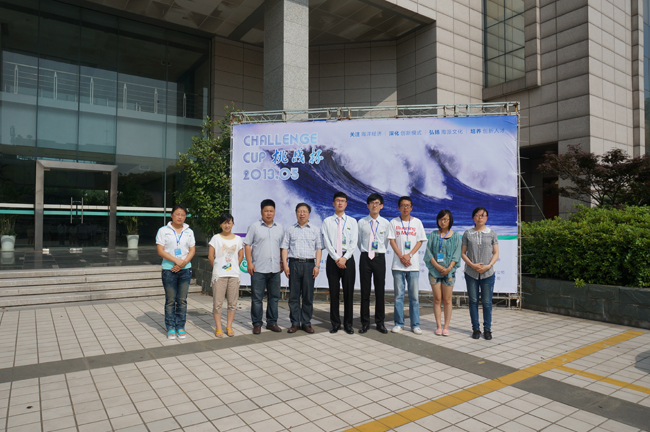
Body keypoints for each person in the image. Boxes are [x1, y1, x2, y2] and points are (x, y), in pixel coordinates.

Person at [281, 203, 323, 334]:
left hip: (309, 265)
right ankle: (294, 323)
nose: (302, 214)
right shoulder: (290, 230)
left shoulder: (315, 230)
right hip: (294, 264)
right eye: (299, 211)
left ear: (309, 214)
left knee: (307, 296)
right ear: (296, 213)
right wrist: (285, 265)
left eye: (304, 211)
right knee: (294, 296)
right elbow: (284, 248)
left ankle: (306, 323)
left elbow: (319, 249)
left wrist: (317, 265)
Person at [156, 204, 196, 340]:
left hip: (185, 270)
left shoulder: (189, 231)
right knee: (171, 300)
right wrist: (176, 261)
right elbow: (160, 251)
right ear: (171, 215)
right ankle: (170, 327)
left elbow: (192, 250)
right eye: (177, 214)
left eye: (183, 215)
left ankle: (180, 326)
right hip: (169, 270)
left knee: (182, 300)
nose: (180, 217)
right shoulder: (163, 231)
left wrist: (182, 263)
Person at [244, 199, 284, 335]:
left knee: (274, 297)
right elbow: (247, 245)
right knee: (257, 298)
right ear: (261, 212)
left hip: (275, 269)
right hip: (258, 269)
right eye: (266, 211)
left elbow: (282, 247)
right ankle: (257, 324)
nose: (269, 213)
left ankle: (272, 322)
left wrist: (283, 262)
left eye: (271, 211)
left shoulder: (280, 227)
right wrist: (249, 263)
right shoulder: (254, 227)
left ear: (274, 212)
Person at [388, 196, 427, 334]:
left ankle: (415, 324)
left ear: (411, 207)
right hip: (398, 265)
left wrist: (409, 255)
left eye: (408, 205)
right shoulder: (394, 222)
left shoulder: (417, 222)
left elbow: (420, 241)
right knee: (398, 296)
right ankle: (399, 323)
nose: (405, 208)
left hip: (413, 265)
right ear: (398, 207)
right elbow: (392, 241)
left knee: (414, 297)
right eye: (403, 205)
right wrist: (401, 256)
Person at [322, 192, 359, 334]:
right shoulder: (327, 221)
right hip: (333, 260)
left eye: (342, 201)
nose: (340, 203)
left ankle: (348, 324)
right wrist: (337, 258)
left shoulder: (352, 221)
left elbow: (354, 242)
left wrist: (345, 257)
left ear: (346, 204)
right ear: (333, 203)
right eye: (337, 200)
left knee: (349, 293)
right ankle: (335, 323)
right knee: (334, 292)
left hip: (348, 260)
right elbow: (327, 242)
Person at [461, 206, 499, 340]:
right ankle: (475, 329)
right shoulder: (467, 233)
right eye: (477, 215)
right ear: (473, 217)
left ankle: (487, 329)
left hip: (488, 273)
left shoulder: (492, 233)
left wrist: (488, 266)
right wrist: (472, 265)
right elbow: (463, 253)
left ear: (486, 218)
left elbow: (496, 253)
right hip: (471, 273)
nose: (480, 218)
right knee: (473, 301)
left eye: (483, 215)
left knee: (487, 302)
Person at [424, 209, 461, 336]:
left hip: (449, 273)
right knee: (437, 299)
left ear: (450, 221)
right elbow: (428, 252)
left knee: (447, 300)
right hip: (435, 272)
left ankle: (446, 327)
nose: (443, 222)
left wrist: (449, 268)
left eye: (445, 219)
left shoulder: (455, 236)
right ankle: (438, 326)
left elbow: (457, 254)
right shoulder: (434, 234)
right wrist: (437, 266)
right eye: (441, 219)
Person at [357, 193, 390, 334]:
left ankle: (380, 322)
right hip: (365, 257)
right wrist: (367, 252)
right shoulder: (361, 222)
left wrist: (377, 252)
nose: (374, 205)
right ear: (367, 206)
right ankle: (365, 323)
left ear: (381, 206)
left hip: (379, 258)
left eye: (377, 203)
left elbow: (386, 242)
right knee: (365, 292)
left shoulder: (386, 223)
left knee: (379, 291)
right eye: (371, 203)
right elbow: (359, 241)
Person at [209, 213, 244, 338]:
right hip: (219, 276)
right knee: (217, 303)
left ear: (233, 224)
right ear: (220, 224)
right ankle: (218, 328)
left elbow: (241, 255)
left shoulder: (238, 239)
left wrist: (234, 266)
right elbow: (210, 255)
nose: (227, 225)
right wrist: (217, 267)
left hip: (234, 275)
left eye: (229, 222)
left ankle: (229, 326)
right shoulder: (216, 238)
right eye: (224, 223)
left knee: (232, 303)